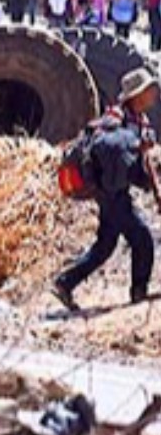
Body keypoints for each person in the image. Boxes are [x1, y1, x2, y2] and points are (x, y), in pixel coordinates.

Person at [53, 68, 159, 311]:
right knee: (142, 238)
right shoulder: (116, 118)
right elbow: (107, 146)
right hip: (110, 191)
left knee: (105, 246)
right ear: (136, 95)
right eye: (149, 90)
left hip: (115, 190)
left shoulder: (139, 121)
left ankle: (65, 283)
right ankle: (138, 293)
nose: (154, 94)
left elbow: (141, 160)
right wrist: (134, 144)